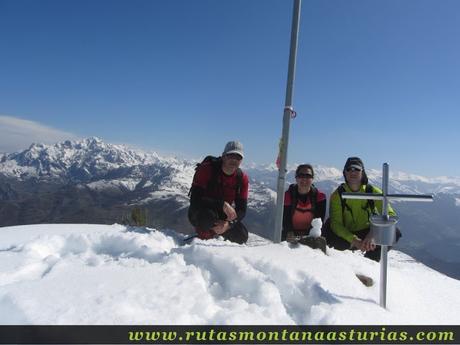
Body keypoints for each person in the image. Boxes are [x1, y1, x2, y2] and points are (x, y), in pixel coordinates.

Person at [323, 157, 401, 261]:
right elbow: (336, 224)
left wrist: (373, 234)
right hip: (347, 233)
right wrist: (354, 240)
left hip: (368, 232)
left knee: (394, 232)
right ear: (344, 173)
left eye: (357, 169)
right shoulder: (338, 195)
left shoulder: (372, 191)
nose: (353, 171)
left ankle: (370, 260)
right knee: (329, 231)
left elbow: (390, 215)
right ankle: (344, 256)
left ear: (362, 172)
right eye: (349, 169)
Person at [188, 141, 249, 244]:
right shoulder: (207, 169)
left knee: (242, 235)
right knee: (207, 218)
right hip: (201, 210)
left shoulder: (242, 178)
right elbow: (195, 200)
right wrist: (222, 205)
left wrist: (228, 224)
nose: (234, 160)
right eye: (230, 155)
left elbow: (242, 210)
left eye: (238, 157)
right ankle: (203, 241)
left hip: (222, 215)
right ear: (223, 156)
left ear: (241, 160)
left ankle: (218, 237)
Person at [282, 164, 327, 241]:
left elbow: (318, 221)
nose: (304, 179)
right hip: (290, 235)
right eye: (301, 175)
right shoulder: (288, 195)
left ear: (312, 179)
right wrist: (289, 232)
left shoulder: (320, 197)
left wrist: (309, 236)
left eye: (308, 176)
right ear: (296, 178)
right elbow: (286, 219)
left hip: (312, 235)